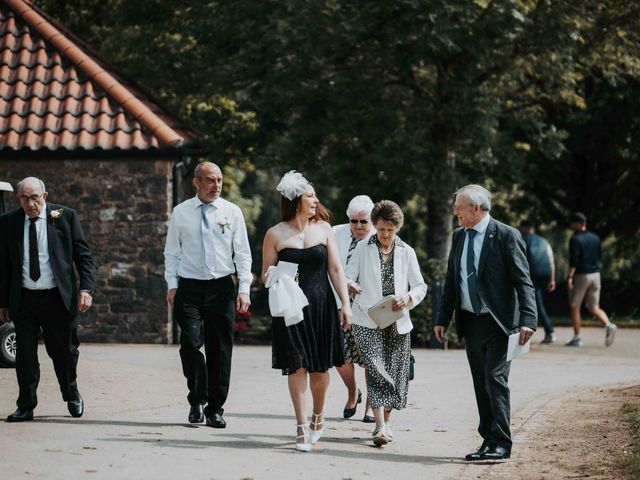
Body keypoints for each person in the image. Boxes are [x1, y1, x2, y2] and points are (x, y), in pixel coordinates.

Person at [434, 185, 536, 461]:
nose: (455, 212)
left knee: (495, 379)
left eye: (459, 208)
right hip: (471, 321)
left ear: (476, 208)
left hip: (500, 323)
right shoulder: (458, 236)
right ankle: (488, 441)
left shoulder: (506, 235)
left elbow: (523, 280)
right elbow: (452, 281)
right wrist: (443, 318)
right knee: (481, 382)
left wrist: (528, 319)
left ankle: (501, 443)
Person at [262, 170, 352, 452]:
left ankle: (318, 416)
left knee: (319, 368)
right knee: (297, 365)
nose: (315, 201)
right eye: (310, 196)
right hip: (291, 309)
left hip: (322, 305)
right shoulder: (274, 234)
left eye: (314, 195)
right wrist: (276, 276)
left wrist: (345, 304)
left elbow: (336, 269)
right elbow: (265, 273)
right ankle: (301, 426)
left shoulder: (324, 229)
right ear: (296, 200)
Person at [0, 177, 96, 422]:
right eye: (24, 198)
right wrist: (3, 302)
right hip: (24, 300)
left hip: (57, 298)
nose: (30, 203)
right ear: (18, 198)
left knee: (64, 352)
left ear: (44, 195)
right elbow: (3, 266)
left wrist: (86, 289)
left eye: (34, 197)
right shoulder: (8, 222)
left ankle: (71, 393)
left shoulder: (64, 216)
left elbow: (83, 256)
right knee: (25, 357)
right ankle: (26, 405)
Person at [164, 162, 252, 428]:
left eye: (220, 181)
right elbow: (172, 252)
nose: (216, 186)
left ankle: (215, 407)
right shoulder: (181, 212)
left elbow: (243, 254)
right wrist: (172, 283)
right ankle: (196, 398)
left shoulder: (232, 212)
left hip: (221, 287)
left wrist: (244, 288)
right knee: (190, 344)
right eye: (211, 181)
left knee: (220, 349)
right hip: (189, 287)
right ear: (197, 182)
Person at [345, 200, 427, 447]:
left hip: (398, 321)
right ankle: (379, 426)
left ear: (397, 228)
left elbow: (421, 286)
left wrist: (409, 297)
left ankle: (386, 425)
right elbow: (347, 275)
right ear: (375, 226)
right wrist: (350, 284)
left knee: (394, 371)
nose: (385, 235)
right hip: (367, 319)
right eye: (380, 229)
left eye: (390, 230)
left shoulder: (407, 252)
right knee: (376, 367)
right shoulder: (362, 248)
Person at [332, 195, 375, 422]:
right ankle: (352, 392)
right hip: (338, 304)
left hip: (369, 308)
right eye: (354, 221)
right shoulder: (334, 232)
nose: (358, 226)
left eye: (364, 221)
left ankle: (370, 405)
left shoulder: (381, 236)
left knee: (371, 358)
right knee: (339, 355)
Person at [566, 212, 616, 347]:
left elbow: (574, 260)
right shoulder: (595, 238)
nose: (571, 225)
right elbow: (600, 256)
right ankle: (609, 325)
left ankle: (576, 338)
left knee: (575, 306)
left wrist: (570, 277)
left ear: (578, 223)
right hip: (596, 274)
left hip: (582, 275)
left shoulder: (575, 239)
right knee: (594, 307)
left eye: (572, 223)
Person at [519, 219, 556, 343]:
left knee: (535, 304)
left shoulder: (523, 240)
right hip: (545, 274)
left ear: (525, 227)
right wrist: (552, 279)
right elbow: (551, 260)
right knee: (537, 302)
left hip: (531, 275)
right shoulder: (544, 241)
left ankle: (550, 331)